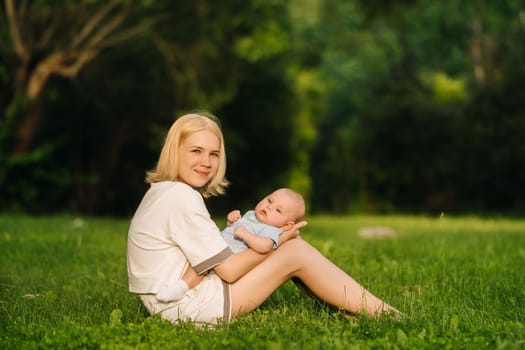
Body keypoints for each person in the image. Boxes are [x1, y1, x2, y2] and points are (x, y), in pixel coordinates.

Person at [127, 112, 401, 326]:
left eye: (213, 154)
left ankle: (351, 309)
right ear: (175, 150)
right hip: (187, 308)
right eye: (196, 151)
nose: (207, 162)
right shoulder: (181, 197)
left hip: (170, 304)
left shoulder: (163, 191)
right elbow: (229, 271)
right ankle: (388, 316)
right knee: (295, 251)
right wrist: (279, 241)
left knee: (291, 250)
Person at [156, 188, 306, 302]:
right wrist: (231, 222)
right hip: (218, 247)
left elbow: (265, 246)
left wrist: (246, 236)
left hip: (229, 258)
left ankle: (181, 287)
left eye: (278, 210)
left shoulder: (271, 230)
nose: (269, 207)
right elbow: (232, 231)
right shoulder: (251, 215)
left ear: (287, 225)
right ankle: (174, 281)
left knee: (200, 266)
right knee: (194, 259)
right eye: (269, 200)